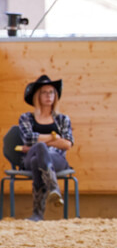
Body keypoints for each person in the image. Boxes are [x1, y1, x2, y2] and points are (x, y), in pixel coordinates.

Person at [18, 75, 73, 221]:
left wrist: (36, 143)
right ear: (37, 95)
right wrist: (54, 138)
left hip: (56, 159)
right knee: (40, 148)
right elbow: (28, 138)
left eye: (52, 92)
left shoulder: (63, 119)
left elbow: (67, 144)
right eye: (45, 92)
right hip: (28, 160)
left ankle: (37, 214)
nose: (49, 96)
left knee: (38, 158)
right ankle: (53, 187)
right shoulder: (26, 118)